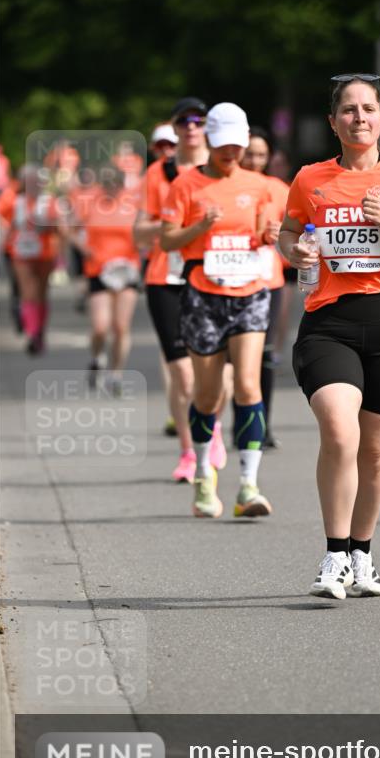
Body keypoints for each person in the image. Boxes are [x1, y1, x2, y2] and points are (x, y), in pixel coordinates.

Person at [278, 73, 380, 600]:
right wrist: (295, 252)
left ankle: (362, 555)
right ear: (333, 122)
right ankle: (333, 556)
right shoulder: (310, 179)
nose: (359, 117)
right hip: (329, 324)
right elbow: (289, 234)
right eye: (348, 110)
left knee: (374, 452)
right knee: (339, 430)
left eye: (368, 109)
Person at [160, 102, 278, 519]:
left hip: (249, 293)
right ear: (209, 140)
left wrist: (270, 235)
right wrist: (200, 228)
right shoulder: (186, 186)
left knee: (248, 384)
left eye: (238, 146)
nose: (232, 153)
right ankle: (204, 478)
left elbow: (267, 232)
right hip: (202, 295)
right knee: (207, 395)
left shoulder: (260, 184)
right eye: (225, 145)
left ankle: (249, 484)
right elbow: (167, 242)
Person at [134, 97, 227, 482]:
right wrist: (176, 225)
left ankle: (213, 427)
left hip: (214, 276)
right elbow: (139, 232)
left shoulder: (222, 166)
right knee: (182, 374)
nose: (191, 126)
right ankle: (189, 451)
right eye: (184, 121)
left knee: (215, 371)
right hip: (165, 278)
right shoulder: (159, 173)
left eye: (198, 120)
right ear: (174, 129)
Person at [69, 168, 141, 393]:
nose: (110, 188)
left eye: (114, 184)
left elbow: (145, 232)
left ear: (122, 184)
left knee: (121, 327)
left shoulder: (133, 204)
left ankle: (116, 374)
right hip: (98, 269)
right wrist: (84, 249)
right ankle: (96, 357)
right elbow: (68, 228)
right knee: (100, 327)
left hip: (127, 269)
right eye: (106, 184)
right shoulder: (91, 202)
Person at [240, 126, 290, 448]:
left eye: (261, 155)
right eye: (250, 154)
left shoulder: (280, 189)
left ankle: (262, 426)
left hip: (268, 280)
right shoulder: (224, 186)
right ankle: (232, 425)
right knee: (235, 360)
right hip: (228, 281)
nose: (255, 160)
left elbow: (296, 231)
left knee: (265, 355)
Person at [0, 165, 63, 354]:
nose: (33, 185)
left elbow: (57, 228)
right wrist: (6, 245)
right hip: (22, 253)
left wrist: (44, 225)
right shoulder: (14, 201)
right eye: (30, 181)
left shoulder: (49, 201)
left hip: (45, 253)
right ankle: (32, 334)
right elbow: (8, 226)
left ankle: (40, 330)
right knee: (28, 293)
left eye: (36, 181)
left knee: (41, 294)